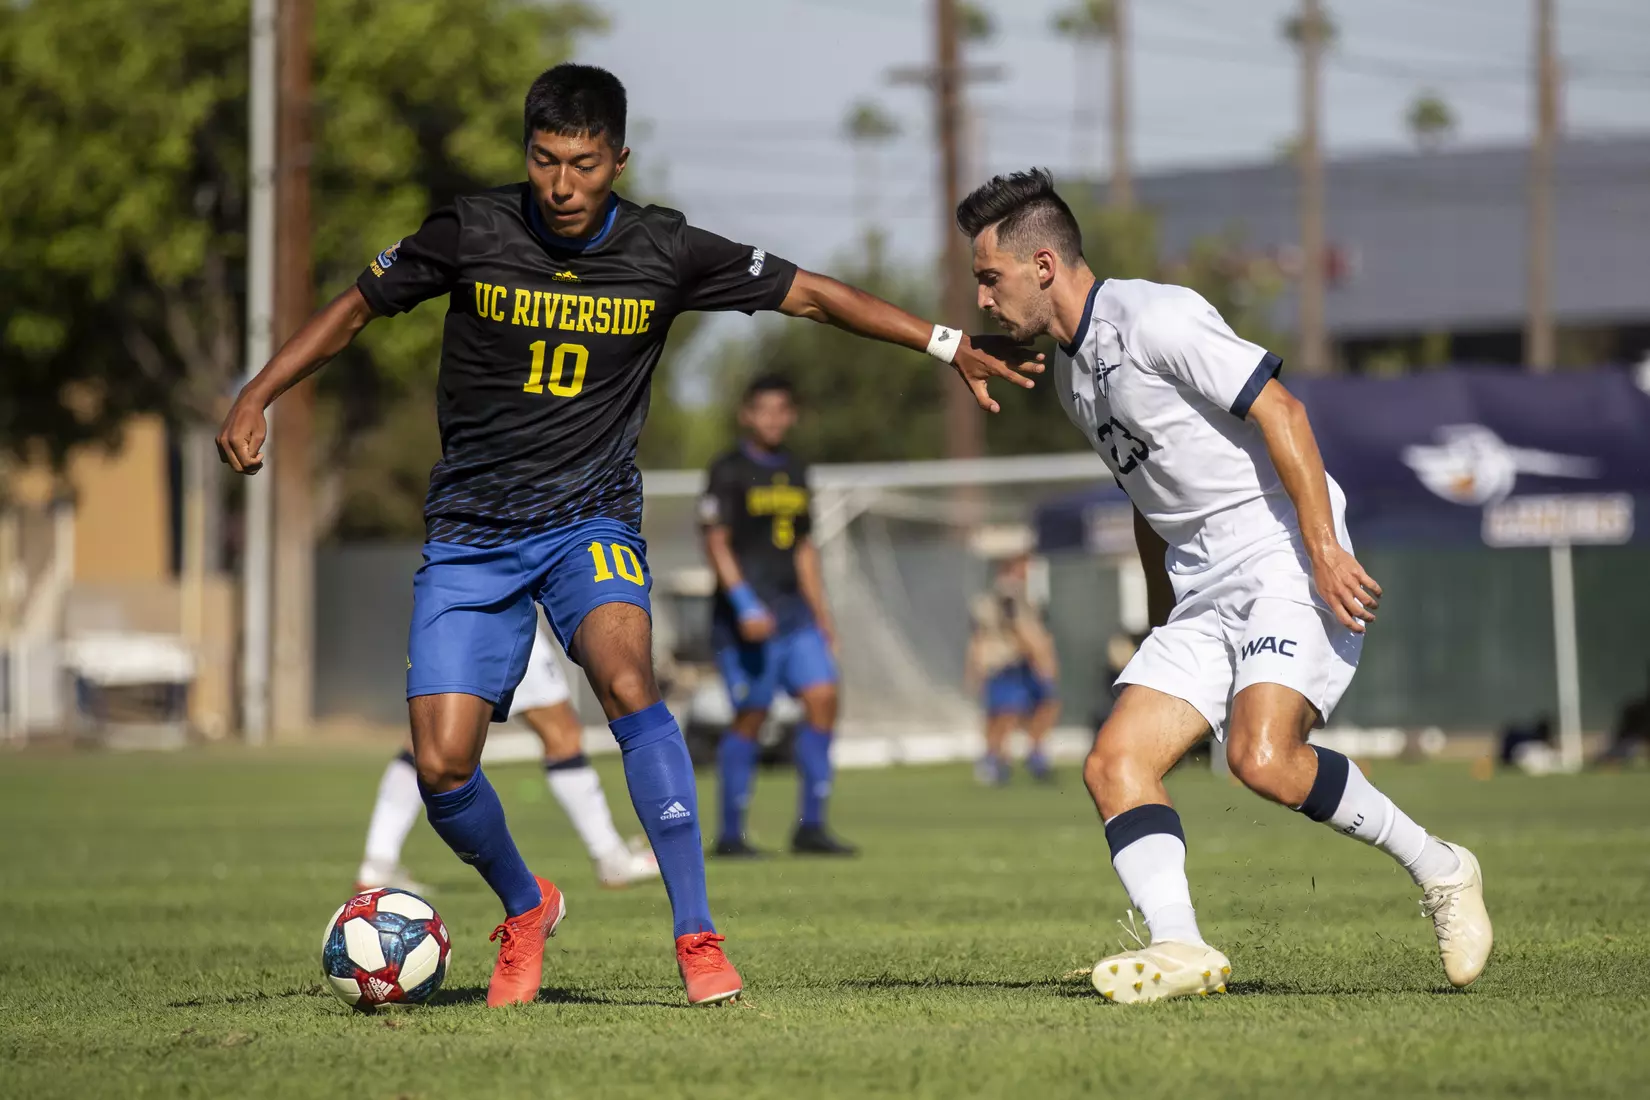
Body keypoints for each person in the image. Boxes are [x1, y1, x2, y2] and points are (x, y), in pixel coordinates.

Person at [216, 64, 1039, 1008]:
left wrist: (947, 343)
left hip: (590, 520)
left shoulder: (665, 248)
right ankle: (527, 905)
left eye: (584, 164)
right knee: (442, 766)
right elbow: (357, 308)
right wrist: (256, 393)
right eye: (545, 160)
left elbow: (811, 294)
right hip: (473, 532)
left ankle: (697, 934)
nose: (562, 184)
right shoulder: (471, 231)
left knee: (628, 679)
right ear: (527, 153)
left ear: (618, 160)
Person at [954, 168, 1491, 1003]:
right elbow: (1147, 501)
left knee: (1262, 760)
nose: (983, 298)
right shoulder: (1070, 377)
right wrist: (1159, 620)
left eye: (991, 277)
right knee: (1114, 763)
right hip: (1200, 586)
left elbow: (1284, 412)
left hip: (1281, 554)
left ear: (1045, 265)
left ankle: (1442, 868)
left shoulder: (1155, 317)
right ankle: (1180, 946)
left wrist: (1323, 549)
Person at [355, 612, 659, 895]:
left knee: (427, 739)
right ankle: (610, 857)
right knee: (562, 734)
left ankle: (378, 862)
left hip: (445, 612)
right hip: (500, 613)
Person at [700, 375, 855, 858]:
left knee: (824, 698)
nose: (773, 419)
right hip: (744, 620)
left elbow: (804, 547)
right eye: (763, 409)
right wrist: (744, 602)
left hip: (794, 614)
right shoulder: (727, 469)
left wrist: (822, 614)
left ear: (792, 416)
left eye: (781, 410)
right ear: (747, 414)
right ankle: (731, 836)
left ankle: (811, 826)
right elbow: (715, 541)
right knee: (753, 713)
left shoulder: (796, 469)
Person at [964, 552, 1061, 785]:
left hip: (1020, 662)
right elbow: (1017, 629)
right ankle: (995, 760)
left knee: (1044, 706)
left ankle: (1030, 755)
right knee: (1005, 714)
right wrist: (1040, 657)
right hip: (1007, 663)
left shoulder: (1023, 595)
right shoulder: (1007, 594)